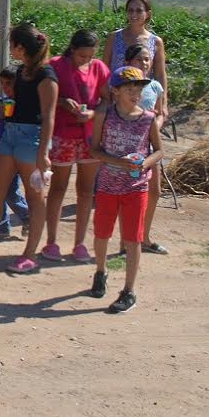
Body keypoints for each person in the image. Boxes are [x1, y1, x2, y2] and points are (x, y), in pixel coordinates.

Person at [0, 24, 58, 273]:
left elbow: (49, 116)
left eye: (12, 44)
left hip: (33, 141)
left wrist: (43, 153)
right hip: (10, 136)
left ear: (21, 47)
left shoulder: (47, 76)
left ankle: (29, 255)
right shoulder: (22, 72)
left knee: (35, 198)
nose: (10, 48)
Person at [88, 66, 164, 313]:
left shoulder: (148, 118)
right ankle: (101, 271)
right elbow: (94, 149)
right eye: (129, 89)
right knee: (102, 234)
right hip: (108, 185)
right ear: (116, 91)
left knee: (133, 239)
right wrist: (118, 161)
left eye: (138, 89)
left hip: (136, 187)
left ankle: (129, 290)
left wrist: (144, 163)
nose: (135, 94)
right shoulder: (105, 115)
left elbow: (159, 151)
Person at [105, 0, 172, 257]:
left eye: (139, 10)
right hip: (120, 114)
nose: (134, 14)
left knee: (151, 186)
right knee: (125, 184)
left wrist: (162, 108)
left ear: (148, 14)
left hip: (146, 115)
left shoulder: (156, 42)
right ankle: (128, 241)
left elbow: (160, 75)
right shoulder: (115, 38)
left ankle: (142, 237)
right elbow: (105, 69)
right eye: (130, 10)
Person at [43, 30, 109, 264]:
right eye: (82, 56)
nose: (86, 60)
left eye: (90, 56)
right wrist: (62, 102)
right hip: (63, 134)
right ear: (72, 49)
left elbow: (107, 100)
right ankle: (51, 241)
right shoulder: (55, 66)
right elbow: (44, 96)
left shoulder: (99, 68)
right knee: (58, 188)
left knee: (85, 190)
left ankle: (79, 243)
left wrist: (92, 114)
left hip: (90, 137)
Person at [123, 42, 170, 255]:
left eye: (147, 59)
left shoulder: (155, 87)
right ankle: (127, 240)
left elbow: (160, 113)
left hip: (150, 145)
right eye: (139, 59)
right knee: (128, 193)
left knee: (154, 191)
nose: (144, 62)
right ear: (128, 62)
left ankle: (144, 237)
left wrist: (154, 127)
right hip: (129, 145)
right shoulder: (122, 87)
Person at [0, 67, 32, 238]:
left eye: (9, 84)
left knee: (9, 190)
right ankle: (2, 225)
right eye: (2, 84)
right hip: (4, 150)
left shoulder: (27, 104)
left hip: (20, 151)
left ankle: (28, 216)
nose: (5, 87)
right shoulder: (4, 102)